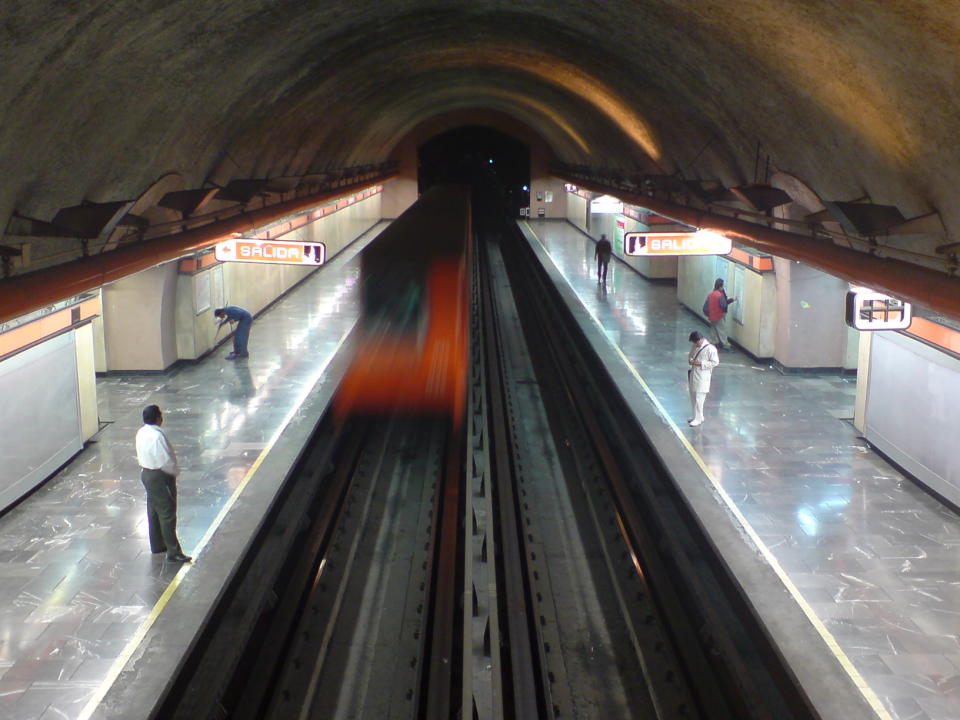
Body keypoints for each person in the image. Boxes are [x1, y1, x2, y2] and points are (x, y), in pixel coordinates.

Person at [135, 405, 191, 563]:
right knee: (167, 513)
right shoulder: (157, 436)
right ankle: (173, 551)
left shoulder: (141, 432)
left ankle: (157, 544)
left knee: (153, 510)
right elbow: (166, 460)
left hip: (146, 473)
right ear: (158, 418)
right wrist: (174, 472)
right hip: (160, 476)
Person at [687, 331, 719, 427]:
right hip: (694, 374)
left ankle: (698, 419)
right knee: (693, 396)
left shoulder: (710, 349)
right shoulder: (695, 346)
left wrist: (700, 363)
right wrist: (691, 360)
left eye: (696, 342)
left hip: (702, 376)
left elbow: (715, 362)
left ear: (700, 339)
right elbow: (691, 355)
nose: (694, 344)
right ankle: (698, 416)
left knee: (699, 398)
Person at [704, 278, 736, 350]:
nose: (723, 287)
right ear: (720, 287)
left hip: (711, 316)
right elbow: (724, 305)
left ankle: (713, 343)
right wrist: (730, 301)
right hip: (719, 316)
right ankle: (726, 345)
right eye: (722, 286)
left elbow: (706, 305)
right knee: (722, 331)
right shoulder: (720, 296)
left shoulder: (711, 294)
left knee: (713, 330)